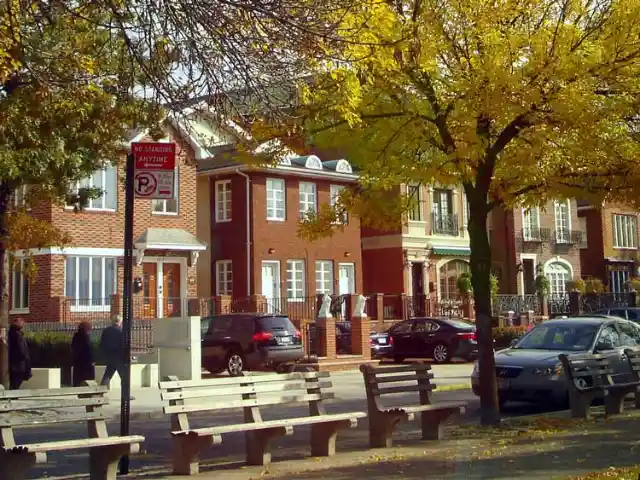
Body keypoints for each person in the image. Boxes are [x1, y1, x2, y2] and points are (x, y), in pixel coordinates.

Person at [99, 315, 125, 387]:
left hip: (109, 356)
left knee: (107, 375)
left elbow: (102, 343)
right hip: (119, 357)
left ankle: (100, 391)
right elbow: (123, 344)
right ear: (120, 322)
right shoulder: (121, 331)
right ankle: (126, 394)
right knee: (124, 377)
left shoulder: (106, 330)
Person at [8, 318, 31, 389]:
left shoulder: (12, 333)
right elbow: (21, 349)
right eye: (21, 322)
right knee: (16, 381)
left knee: (15, 380)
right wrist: (23, 356)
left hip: (15, 363)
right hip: (19, 364)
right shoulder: (17, 334)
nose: (23, 324)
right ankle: (13, 394)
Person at [71, 321, 95, 386]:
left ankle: (76, 386)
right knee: (86, 377)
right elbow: (88, 349)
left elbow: (73, 347)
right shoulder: (86, 336)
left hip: (77, 360)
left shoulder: (76, 336)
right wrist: (92, 360)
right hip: (86, 361)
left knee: (77, 376)